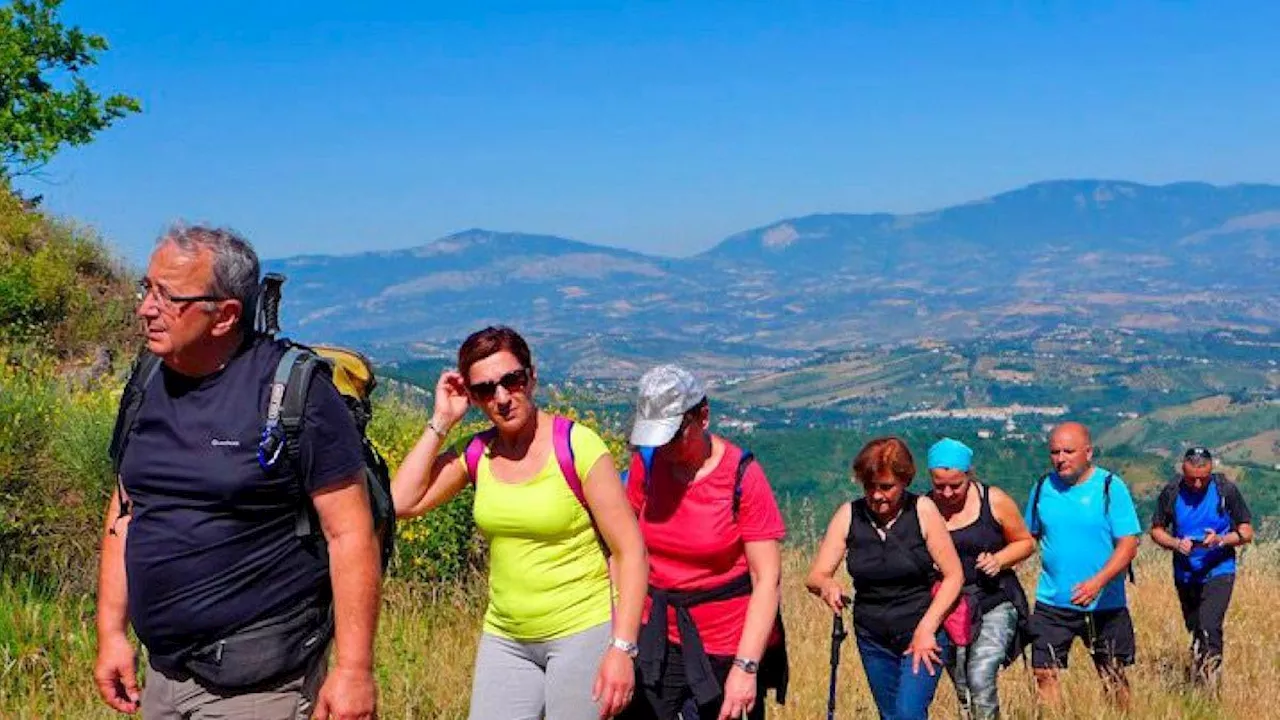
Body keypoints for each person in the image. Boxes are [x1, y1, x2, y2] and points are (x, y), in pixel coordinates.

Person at [94, 226, 379, 720]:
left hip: (259, 683)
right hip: (163, 675)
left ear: (225, 315)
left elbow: (350, 533)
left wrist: (353, 670)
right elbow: (126, 508)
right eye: (147, 288)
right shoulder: (147, 382)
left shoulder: (294, 393)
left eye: (169, 297)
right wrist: (111, 633)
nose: (145, 308)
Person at [391, 325, 647, 720]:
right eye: (484, 390)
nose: (502, 397)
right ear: (473, 398)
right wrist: (442, 420)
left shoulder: (578, 447)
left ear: (531, 377)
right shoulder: (479, 453)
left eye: (512, 380)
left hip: (583, 630)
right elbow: (402, 501)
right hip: (506, 636)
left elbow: (629, 552)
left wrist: (622, 648)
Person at [619, 365, 788, 720]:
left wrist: (746, 668)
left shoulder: (742, 476)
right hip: (655, 639)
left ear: (703, 417)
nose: (662, 447)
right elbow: (623, 550)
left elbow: (766, 579)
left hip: (725, 647)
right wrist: (621, 637)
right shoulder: (645, 466)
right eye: (655, 438)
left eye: (672, 436)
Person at [807, 437, 964, 720]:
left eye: (886, 487)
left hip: (921, 628)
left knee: (908, 713)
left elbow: (954, 576)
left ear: (905, 480)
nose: (877, 496)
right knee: (890, 715)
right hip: (873, 636)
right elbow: (816, 575)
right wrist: (827, 585)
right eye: (870, 487)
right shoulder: (849, 515)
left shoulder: (923, 511)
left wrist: (927, 629)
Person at [1023, 421, 1141, 710]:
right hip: (1052, 601)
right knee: (1044, 672)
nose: (1060, 458)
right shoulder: (1041, 488)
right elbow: (1028, 538)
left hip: (1104, 604)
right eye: (1054, 452)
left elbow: (1129, 544)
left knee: (1112, 673)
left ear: (1088, 452)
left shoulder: (1110, 487)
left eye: (1068, 451)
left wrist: (1097, 582)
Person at [926, 438, 1035, 720]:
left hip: (994, 599)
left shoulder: (994, 500)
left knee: (981, 673)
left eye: (955, 485)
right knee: (961, 681)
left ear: (969, 476)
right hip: (948, 606)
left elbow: (1025, 542)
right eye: (940, 486)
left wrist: (999, 560)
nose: (947, 493)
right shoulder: (924, 507)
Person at [1149, 446, 1254, 690]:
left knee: (1209, 627)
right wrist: (1176, 543)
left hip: (1219, 568)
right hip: (1185, 572)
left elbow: (1246, 531)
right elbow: (1156, 530)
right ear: (1182, 471)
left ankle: (1210, 688)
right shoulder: (1172, 492)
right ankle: (1199, 676)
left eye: (1203, 478)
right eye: (1191, 478)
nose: (1197, 484)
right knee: (1196, 628)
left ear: (1211, 472)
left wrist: (1220, 540)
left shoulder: (1225, 490)